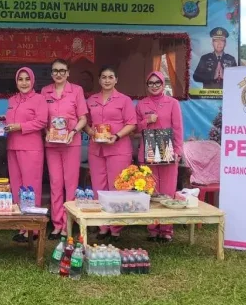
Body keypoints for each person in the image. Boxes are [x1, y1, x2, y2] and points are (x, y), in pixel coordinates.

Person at [83, 66, 137, 242]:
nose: (107, 80)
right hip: (96, 149)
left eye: (110, 77)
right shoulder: (91, 100)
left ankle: (115, 228)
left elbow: (132, 123)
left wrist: (117, 136)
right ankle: (102, 226)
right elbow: (85, 121)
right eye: (104, 77)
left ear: (116, 80)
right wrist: (91, 132)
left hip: (118, 148)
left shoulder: (124, 100)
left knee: (117, 187)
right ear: (99, 80)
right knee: (99, 186)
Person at [40, 59, 88, 240]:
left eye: (62, 70)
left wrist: (73, 132)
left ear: (68, 73)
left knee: (70, 184)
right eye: (55, 71)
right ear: (51, 74)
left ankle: (68, 223)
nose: (58, 74)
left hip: (71, 143)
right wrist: (46, 132)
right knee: (55, 183)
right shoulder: (45, 91)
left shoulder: (76, 90)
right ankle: (57, 224)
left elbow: (83, 118)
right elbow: (42, 119)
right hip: (52, 144)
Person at [136, 71, 184, 243]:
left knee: (168, 190)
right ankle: (152, 228)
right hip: (148, 149)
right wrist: (147, 120)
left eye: (158, 82)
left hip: (167, 148)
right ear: (147, 86)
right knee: (150, 189)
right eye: (151, 83)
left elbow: (178, 128)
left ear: (163, 84)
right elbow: (135, 128)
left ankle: (166, 229)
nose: (154, 85)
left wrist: (178, 150)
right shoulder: (141, 104)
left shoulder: (172, 103)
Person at [5, 67, 49, 243]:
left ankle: (33, 227)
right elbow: (9, 121)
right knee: (17, 186)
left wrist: (20, 127)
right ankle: (21, 225)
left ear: (32, 81)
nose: (24, 83)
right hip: (12, 147)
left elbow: (41, 121)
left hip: (31, 147)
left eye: (27, 79)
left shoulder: (39, 99)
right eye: (20, 79)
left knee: (31, 187)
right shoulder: (12, 100)